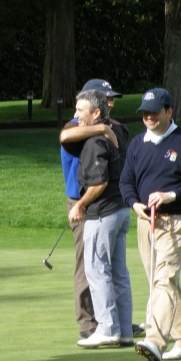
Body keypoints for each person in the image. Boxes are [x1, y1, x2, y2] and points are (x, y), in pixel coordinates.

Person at [120, 88, 181, 361]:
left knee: (164, 281)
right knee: (161, 283)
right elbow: (126, 182)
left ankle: (155, 342)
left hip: (176, 222)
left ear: (169, 112)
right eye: (145, 113)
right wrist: (135, 205)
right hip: (146, 223)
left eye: (154, 112)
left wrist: (171, 195)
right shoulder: (137, 144)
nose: (148, 117)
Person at [58, 79, 141, 341]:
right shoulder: (79, 126)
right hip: (82, 201)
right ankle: (89, 322)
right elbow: (65, 136)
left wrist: (104, 129)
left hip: (101, 203)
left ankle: (112, 325)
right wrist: (102, 130)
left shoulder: (113, 127)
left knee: (103, 267)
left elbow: (117, 131)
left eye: (112, 98)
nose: (111, 102)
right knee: (89, 266)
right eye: (107, 98)